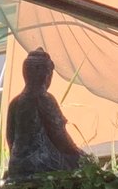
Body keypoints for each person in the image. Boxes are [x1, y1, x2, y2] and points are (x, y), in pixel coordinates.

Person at [5, 50, 86, 181]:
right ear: (43, 73)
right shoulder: (45, 99)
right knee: (83, 166)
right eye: (49, 73)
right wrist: (77, 153)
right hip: (42, 163)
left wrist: (16, 162)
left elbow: (10, 138)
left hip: (18, 164)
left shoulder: (15, 102)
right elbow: (59, 136)